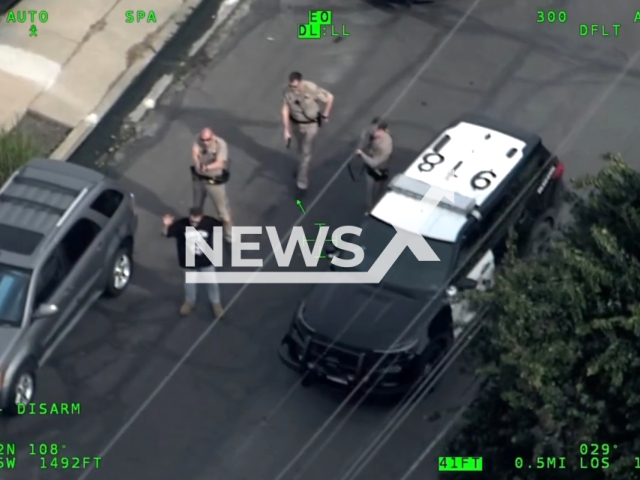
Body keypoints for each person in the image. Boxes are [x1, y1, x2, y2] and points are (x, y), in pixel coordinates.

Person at [162, 206, 225, 318]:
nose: (194, 224)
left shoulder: (209, 222)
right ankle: (189, 302)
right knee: (189, 284)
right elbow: (166, 234)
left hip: (206, 260)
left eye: (197, 222)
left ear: (202, 217)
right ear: (189, 216)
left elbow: (223, 225)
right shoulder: (181, 224)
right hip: (187, 261)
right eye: (192, 221)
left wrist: (227, 219)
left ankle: (216, 303)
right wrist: (166, 225)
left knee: (212, 283)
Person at [282, 71, 334, 192]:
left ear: (300, 82)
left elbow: (330, 98)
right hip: (296, 125)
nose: (292, 88)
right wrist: (286, 130)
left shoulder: (311, 88)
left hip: (310, 126)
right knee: (300, 149)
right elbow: (285, 110)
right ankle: (301, 168)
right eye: (291, 86)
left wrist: (325, 114)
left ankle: (302, 183)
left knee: (306, 153)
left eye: (295, 86)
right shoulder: (287, 91)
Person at [191, 127, 233, 243]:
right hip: (199, 179)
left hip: (213, 181)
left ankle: (229, 234)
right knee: (196, 208)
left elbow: (220, 163)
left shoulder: (220, 144)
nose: (204, 142)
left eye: (207, 140)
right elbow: (194, 152)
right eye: (202, 140)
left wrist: (206, 168)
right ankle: (196, 230)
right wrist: (197, 163)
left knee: (222, 211)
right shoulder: (197, 140)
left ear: (212, 137)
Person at [356, 120, 393, 212]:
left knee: (380, 191)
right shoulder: (375, 134)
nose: (372, 132)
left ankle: (378, 208)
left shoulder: (385, 146)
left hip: (380, 170)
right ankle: (369, 209)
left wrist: (362, 154)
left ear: (381, 131)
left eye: (375, 130)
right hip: (370, 169)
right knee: (369, 190)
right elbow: (366, 134)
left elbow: (374, 163)